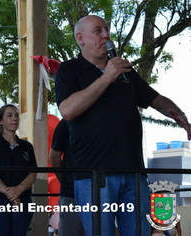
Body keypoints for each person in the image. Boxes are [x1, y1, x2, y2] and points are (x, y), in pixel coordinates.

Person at [54, 15, 191, 236]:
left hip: (134, 172)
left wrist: (178, 114)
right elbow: (68, 110)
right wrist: (107, 76)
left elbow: (153, 98)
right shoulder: (70, 70)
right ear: (80, 38)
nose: (106, 35)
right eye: (98, 31)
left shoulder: (124, 70)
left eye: (106, 30)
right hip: (94, 175)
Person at [0, 104, 37, 236]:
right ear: (0, 121)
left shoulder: (26, 146)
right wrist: (11, 194)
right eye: (9, 115)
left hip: (23, 200)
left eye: (17, 116)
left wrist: (19, 189)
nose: (14, 119)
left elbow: (32, 173)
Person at [48, 119, 84, 236]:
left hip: (100, 190)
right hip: (71, 191)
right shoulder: (67, 122)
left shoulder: (103, 116)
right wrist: (65, 180)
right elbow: (54, 157)